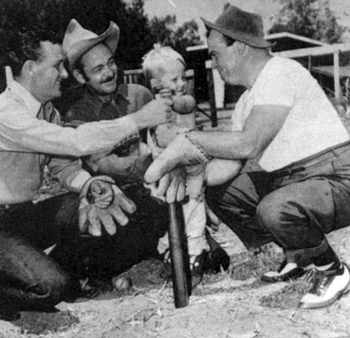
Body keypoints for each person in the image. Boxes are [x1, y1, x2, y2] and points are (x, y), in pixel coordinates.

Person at [145, 3, 350, 309]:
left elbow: (248, 144)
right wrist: (191, 175)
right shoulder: (245, 100)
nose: (213, 64)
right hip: (296, 182)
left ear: (239, 47)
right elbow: (229, 163)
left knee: (275, 208)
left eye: (216, 54)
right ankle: (299, 254)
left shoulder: (281, 71)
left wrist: (188, 141)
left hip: (337, 176)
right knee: (223, 190)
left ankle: (332, 270)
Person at [0, 28, 172, 321]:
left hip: (22, 217)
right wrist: (139, 119)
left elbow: (62, 164)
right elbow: (75, 142)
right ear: (30, 69)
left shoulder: (46, 110)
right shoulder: (6, 113)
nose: (64, 74)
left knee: (82, 206)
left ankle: (30, 269)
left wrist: (89, 185)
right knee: (52, 288)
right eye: (56, 65)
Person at [62, 19, 184, 285]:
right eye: (98, 69)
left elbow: (167, 135)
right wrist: (154, 162)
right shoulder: (77, 115)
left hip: (150, 192)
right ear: (81, 77)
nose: (109, 72)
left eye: (111, 63)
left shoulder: (139, 94)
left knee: (167, 202)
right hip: (110, 197)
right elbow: (101, 165)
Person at [141, 44, 231, 287]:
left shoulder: (181, 102)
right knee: (170, 217)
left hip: (189, 170)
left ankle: (194, 252)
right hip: (166, 174)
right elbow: (162, 137)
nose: (182, 83)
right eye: (175, 79)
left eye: (184, 77)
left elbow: (187, 107)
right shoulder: (154, 108)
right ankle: (173, 253)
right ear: (155, 85)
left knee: (193, 208)